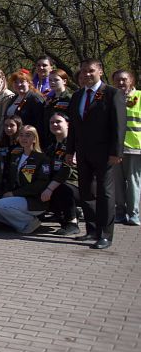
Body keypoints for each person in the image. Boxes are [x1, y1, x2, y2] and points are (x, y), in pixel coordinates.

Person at [67, 59, 126, 250]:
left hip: (105, 153)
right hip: (83, 152)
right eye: (84, 71)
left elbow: (119, 125)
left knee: (105, 193)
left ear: (100, 71)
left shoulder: (112, 94)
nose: (86, 74)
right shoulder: (77, 95)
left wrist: (116, 152)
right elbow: (74, 126)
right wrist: (69, 150)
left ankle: (105, 235)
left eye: (91, 71)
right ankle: (92, 230)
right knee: (86, 192)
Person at [0, 125, 51, 234]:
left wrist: (14, 194)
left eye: (28, 135)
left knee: (2, 205)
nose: (23, 138)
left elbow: (41, 184)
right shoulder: (16, 156)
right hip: (17, 198)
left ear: (34, 139)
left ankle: (30, 223)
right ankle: (24, 223)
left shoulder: (42, 158)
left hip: (34, 200)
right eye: (21, 135)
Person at [43, 112, 81, 236]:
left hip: (75, 185)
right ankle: (62, 215)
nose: (54, 124)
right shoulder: (52, 145)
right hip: (56, 182)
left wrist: (49, 188)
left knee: (60, 188)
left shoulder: (74, 144)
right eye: (51, 122)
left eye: (58, 122)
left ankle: (72, 223)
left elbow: (66, 170)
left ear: (68, 124)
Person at [112, 69, 140, 226]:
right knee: (117, 183)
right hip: (116, 148)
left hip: (135, 148)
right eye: (117, 80)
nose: (120, 83)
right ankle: (120, 212)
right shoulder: (112, 98)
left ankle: (134, 214)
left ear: (131, 80)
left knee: (133, 182)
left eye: (124, 79)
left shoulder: (139, 97)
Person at [5, 70, 46, 143]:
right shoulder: (14, 98)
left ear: (28, 83)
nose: (19, 84)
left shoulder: (34, 98)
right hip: (13, 140)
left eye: (22, 81)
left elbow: (40, 122)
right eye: (15, 82)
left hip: (28, 140)